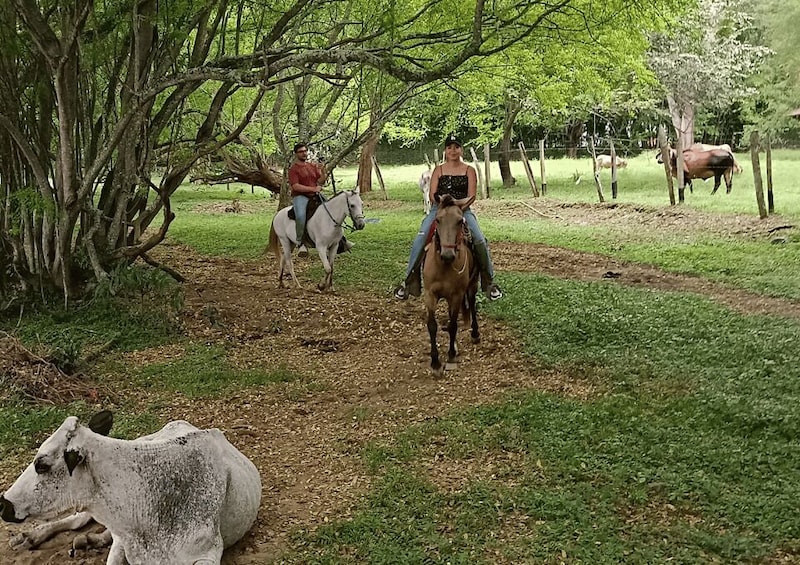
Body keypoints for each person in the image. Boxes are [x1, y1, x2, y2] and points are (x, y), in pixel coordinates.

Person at [394, 133, 502, 301]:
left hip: (463, 211)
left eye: (456, 147)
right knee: (420, 238)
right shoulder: (439, 170)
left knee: (479, 239)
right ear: (445, 150)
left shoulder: (469, 170)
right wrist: (444, 209)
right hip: (439, 210)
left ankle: (488, 282)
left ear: (461, 150)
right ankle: (408, 281)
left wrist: (459, 208)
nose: (453, 150)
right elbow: (432, 195)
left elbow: (471, 196)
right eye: (449, 147)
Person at [288, 142, 352, 256]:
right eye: (301, 152)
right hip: (300, 196)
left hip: (315, 195)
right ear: (296, 154)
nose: (304, 153)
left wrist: (323, 171)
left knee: (332, 211)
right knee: (301, 216)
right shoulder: (293, 169)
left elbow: (321, 181)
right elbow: (295, 186)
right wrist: (313, 189)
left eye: (305, 151)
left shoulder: (312, 166)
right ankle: (300, 243)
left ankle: (342, 241)